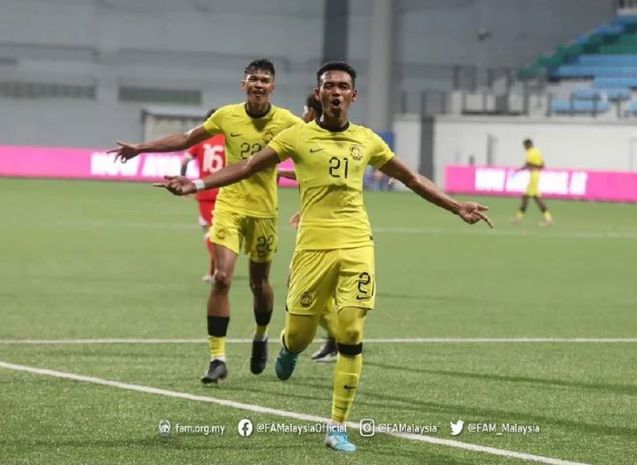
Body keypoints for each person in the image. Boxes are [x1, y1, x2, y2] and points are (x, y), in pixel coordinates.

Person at [154, 61, 493, 452]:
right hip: (313, 246)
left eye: (342, 86)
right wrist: (195, 183)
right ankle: (287, 346)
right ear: (319, 94)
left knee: (350, 329)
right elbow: (248, 166)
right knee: (299, 334)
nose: (335, 91)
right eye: (328, 85)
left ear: (353, 95)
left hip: (356, 242)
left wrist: (456, 206)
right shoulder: (296, 137)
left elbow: (411, 178)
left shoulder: (367, 140)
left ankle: (337, 426)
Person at [110, 59, 303, 383]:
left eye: (264, 80)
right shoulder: (226, 116)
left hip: (264, 212)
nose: (258, 84)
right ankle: (217, 357)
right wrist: (140, 148)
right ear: (244, 84)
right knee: (222, 278)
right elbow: (187, 139)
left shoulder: (287, 121)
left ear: (273, 86)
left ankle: (260, 335)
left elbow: (311, 154)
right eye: (253, 79)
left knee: (259, 284)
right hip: (228, 205)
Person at [282, 93, 338, 363]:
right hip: (315, 222)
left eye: (305, 110)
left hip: (332, 228)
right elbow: (313, 177)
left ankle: (338, 336)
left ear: (313, 112)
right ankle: (333, 338)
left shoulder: (318, 138)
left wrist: (276, 172)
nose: (302, 114)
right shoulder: (309, 136)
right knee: (301, 284)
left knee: (300, 284)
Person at [180, 109, 225, 283]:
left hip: (205, 192)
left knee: (209, 233)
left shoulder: (201, 140)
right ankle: (215, 270)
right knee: (220, 233)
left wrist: (184, 181)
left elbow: (184, 161)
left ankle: (218, 270)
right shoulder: (228, 140)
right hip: (225, 192)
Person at [512, 139, 553, 226]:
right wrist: (535, 167)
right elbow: (542, 165)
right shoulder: (537, 151)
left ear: (528, 145)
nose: (524, 148)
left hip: (534, 176)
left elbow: (527, 164)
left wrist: (518, 171)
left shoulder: (530, 152)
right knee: (526, 197)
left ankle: (548, 219)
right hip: (536, 175)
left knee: (536, 198)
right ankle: (518, 217)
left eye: (525, 146)